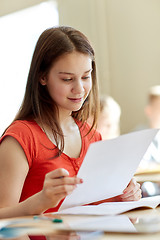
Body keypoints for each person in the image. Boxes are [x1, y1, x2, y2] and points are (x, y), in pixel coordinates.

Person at [0, 26, 141, 218]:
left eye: (85, 76)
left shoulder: (92, 135)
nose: (80, 89)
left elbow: (95, 209)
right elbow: (2, 217)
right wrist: (40, 201)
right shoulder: (21, 138)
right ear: (42, 77)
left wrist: (122, 196)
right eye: (67, 79)